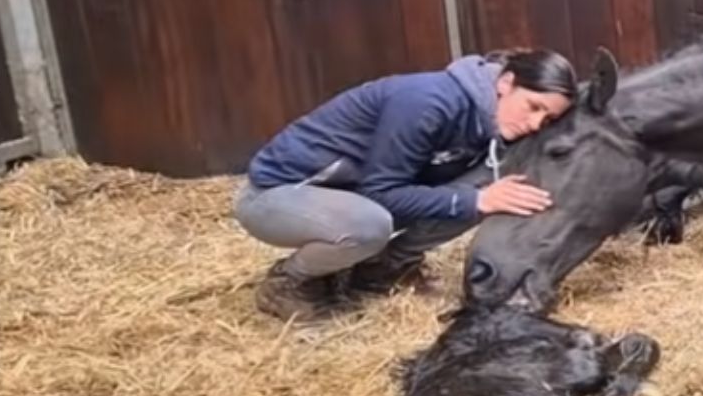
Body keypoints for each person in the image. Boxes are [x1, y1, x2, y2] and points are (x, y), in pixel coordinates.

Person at [234, 49, 577, 322]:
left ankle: (380, 269)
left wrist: (482, 197)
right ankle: (288, 281)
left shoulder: (485, 121)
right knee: (372, 224)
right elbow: (380, 191)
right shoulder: (429, 100)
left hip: (348, 196)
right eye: (534, 107)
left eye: (546, 119)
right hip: (275, 196)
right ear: (506, 83)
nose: (534, 124)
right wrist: (475, 202)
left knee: (492, 187)